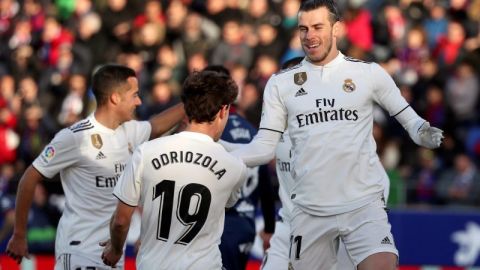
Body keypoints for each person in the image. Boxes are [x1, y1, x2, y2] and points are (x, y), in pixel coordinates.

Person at [229, 0, 444, 269]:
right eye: (303, 28)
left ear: (337, 28)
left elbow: (409, 119)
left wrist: (422, 131)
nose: (310, 36)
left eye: (318, 26)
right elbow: (263, 146)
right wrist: (222, 156)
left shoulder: (368, 73)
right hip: (309, 212)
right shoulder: (280, 84)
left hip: (363, 207)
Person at [6, 64, 185, 269]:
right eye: (134, 95)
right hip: (80, 253)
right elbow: (29, 177)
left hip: (112, 255)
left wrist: (191, 101)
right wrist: (19, 235)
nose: (139, 101)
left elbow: (156, 126)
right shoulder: (75, 137)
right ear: (115, 98)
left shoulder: (130, 131)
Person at [100, 70, 248, 270]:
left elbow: (121, 220)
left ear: (186, 108)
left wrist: (116, 249)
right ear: (223, 111)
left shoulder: (146, 152)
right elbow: (224, 206)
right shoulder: (234, 166)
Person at [204, 65, 276, 270]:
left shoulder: (210, 135)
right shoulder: (254, 132)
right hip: (246, 225)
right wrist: (268, 229)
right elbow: (266, 186)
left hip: (218, 225)